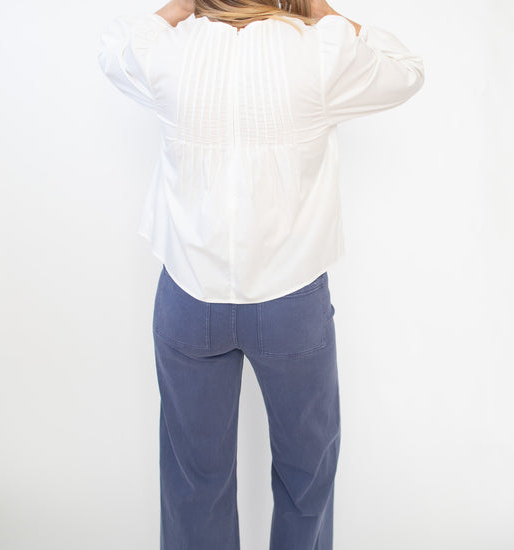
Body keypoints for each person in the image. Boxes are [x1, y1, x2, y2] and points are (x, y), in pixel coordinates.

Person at [97, 0, 424, 547]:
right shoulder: (319, 53)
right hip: (290, 301)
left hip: (189, 296)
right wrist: (320, 9)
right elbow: (406, 69)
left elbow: (112, 47)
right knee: (306, 477)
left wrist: (181, 7)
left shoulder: (170, 52)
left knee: (194, 482)